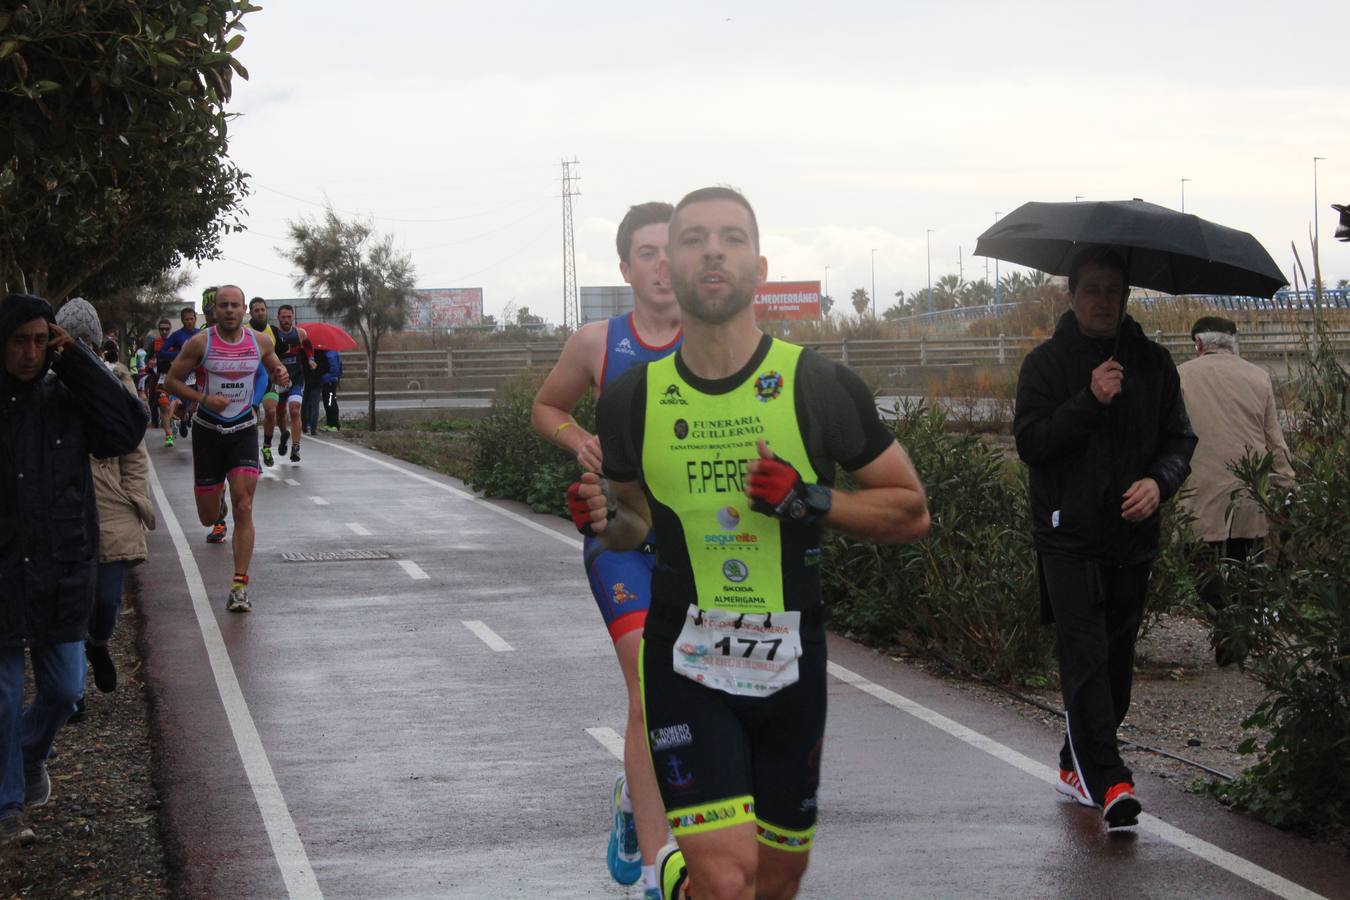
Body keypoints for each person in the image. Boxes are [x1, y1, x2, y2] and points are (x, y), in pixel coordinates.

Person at [572, 187, 929, 900]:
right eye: (694, 237)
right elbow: (635, 523)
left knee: (775, 879)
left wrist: (807, 499)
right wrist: (604, 517)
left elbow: (910, 510)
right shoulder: (632, 400)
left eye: (731, 238)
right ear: (666, 270)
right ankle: (681, 869)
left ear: (758, 269)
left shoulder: (818, 386)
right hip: (684, 659)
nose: (712, 250)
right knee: (730, 878)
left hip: (791, 664)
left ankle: (678, 882)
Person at [1013, 245, 1196, 829]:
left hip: (1131, 539)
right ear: (1071, 295)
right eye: (1091, 289)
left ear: (1126, 298)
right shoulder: (1044, 365)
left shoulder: (1155, 364)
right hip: (1066, 537)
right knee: (1085, 656)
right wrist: (1089, 400)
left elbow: (1180, 441)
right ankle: (1111, 779)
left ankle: (1076, 761)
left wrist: (1158, 484)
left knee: (1116, 667)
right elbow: (1032, 444)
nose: (1102, 301)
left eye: (1113, 291)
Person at [533, 201, 682, 896]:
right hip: (619, 540)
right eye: (646, 253)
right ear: (626, 268)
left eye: (671, 250)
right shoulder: (599, 341)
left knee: (691, 693)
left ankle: (631, 800)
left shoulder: (725, 343)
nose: (661, 265)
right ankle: (658, 868)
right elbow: (547, 406)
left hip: (699, 548)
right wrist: (577, 440)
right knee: (649, 688)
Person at [1, 293, 147, 848]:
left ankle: (28, 757)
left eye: (42, 340)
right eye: (20, 340)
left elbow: (126, 429)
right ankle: (8, 808)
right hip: (5, 571)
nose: (31, 352)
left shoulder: (67, 396)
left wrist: (77, 361)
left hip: (62, 570)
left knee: (63, 690)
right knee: (3, 697)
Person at [162, 285, 290, 612]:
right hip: (207, 430)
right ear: (215, 311)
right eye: (224, 305)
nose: (230, 310)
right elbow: (172, 382)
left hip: (243, 428)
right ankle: (216, 497)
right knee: (208, 518)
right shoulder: (199, 343)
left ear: (244, 309)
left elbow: (275, 368)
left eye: (236, 305)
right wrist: (203, 399)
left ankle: (239, 587)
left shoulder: (258, 341)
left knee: (244, 505)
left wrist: (281, 372)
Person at [53, 299, 156, 702]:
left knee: (106, 599)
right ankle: (73, 690)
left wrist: (135, 496)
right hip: (66, 502)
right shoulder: (47, 380)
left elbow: (133, 450)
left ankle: (98, 642)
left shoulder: (115, 381)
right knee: (70, 602)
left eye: (85, 341)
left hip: (112, 503)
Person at [1177, 316, 1294, 666]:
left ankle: (1225, 623)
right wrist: (1287, 485)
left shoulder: (1179, 376)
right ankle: (1237, 631)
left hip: (1198, 494)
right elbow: (1276, 442)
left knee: (1200, 566)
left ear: (1198, 344)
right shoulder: (1259, 377)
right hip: (1250, 493)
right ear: (1233, 342)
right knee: (1249, 566)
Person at [264, 304, 313, 464]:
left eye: (288, 317)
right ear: (278, 317)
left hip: (296, 378)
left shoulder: (300, 333)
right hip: (279, 379)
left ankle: (296, 447)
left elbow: (308, 345)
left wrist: (311, 359)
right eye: (283, 317)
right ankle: (284, 434)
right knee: (279, 414)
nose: (286, 320)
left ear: (292, 317)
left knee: (294, 410)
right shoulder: (274, 335)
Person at [247, 297, 285, 466]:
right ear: (251, 312)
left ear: (267, 311)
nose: (260, 313)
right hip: (249, 380)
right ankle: (252, 454)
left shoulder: (274, 331)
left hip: (269, 378)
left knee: (271, 412)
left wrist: (282, 371)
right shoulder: (244, 331)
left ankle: (267, 447)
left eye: (263, 309)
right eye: (256, 310)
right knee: (252, 418)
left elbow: (281, 354)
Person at [155, 306, 199, 448]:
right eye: (186, 319)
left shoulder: (201, 334)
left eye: (191, 319)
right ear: (182, 321)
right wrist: (179, 355)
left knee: (190, 403)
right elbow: (161, 352)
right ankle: (176, 426)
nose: (189, 322)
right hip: (179, 374)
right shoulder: (177, 335)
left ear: (195, 319)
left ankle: (186, 419)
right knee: (172, 403)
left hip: (195, 374)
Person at [146, 317, 172, 428]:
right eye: (162, 329)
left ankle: (168, 420)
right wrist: (150, 362)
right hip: (155, 375)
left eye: (166, 329)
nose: (164, 331)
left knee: (170, 398)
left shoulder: (174, 342)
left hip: (170, 375)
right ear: (159, 330)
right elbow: (147, 358)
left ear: (170, 329)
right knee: (152, 398)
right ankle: (155, 421)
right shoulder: (154, 343)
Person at [301, 339, 327, 435]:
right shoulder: (320, 352)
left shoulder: (303, 352)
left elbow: (301, 366)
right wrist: (318, 370)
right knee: (315, 406)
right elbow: (326, 367)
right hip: (316, 382)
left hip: (306, 382)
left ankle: (304, 426)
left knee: (305, 404)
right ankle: (313, 428)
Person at [320, 348, 343, 430]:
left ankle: (335, 425)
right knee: (327, 403)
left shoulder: (331, 354)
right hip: (327, 381)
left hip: (330, 381)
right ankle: (329, 423)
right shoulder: (329, 352)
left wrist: (324, 376)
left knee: (331, 402)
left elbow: (334, 369)